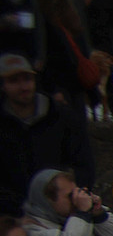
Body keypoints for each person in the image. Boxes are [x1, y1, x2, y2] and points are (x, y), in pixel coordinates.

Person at [2, 55, 94, 217]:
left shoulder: (62, 117)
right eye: (14, 81)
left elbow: (84, 165)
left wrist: (72, 203)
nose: (23, 86)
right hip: (11, 215)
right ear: (2, 86)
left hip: (62, 210)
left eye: (27, 79)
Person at [22, 168, 113, 236]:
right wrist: (82, 214)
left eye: (76, 192)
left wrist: (99, 215)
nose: (75, 199)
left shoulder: (78, 220)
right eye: (70, 196)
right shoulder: (33, 231)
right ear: (48, 200)